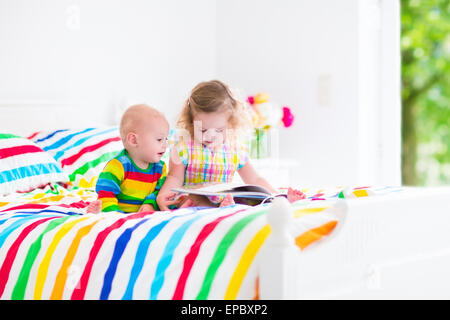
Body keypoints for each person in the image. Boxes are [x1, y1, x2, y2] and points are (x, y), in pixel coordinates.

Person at [157, 80, 306, 210]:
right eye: (202, 130)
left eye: (219, 130)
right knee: (192, 200)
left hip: (224, 199)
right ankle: (222, 209)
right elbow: (174, 178)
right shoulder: (183, 147)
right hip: (194, 200)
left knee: (251, 200)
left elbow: (254, 180)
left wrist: (276, 195)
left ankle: (282, 202)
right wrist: (163, 195)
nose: (210, 136)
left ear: (231, 124)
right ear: (191, 121)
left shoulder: (235, 149)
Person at [87, 104, 178, 213]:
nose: (165, 145)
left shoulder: (160, 167)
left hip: (140, 216)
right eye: (159, 139)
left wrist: (149, 205)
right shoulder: (118, 166)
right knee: (101, 206)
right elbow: (106, 194)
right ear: (134, 140)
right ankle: (96, 212)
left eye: (166, 139)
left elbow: (159, 192)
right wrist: (115, 215)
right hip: (118, 214)